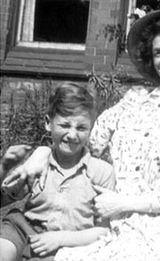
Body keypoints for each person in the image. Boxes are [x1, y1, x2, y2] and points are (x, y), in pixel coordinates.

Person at [14, 9, 160, 261]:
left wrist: (122, 203)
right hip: (113, 222)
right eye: (158, 52)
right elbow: (81, 142)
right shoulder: (132, 102)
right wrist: (42, 152)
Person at [0, 82, 116, 261]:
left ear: (91, 129)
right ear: (48, 123)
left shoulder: (101, 172)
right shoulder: (36, 162)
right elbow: (4, 198)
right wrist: (4, 167)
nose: (72, 135)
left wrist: (61, 239)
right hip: (24, 228)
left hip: (67, 242)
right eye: (64, 125)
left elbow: (104, 230)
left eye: (81, 128)